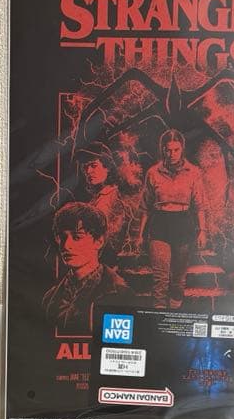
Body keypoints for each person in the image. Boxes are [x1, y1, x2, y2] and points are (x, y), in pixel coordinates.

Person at [139, 129, 208, 309]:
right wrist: (140, 235)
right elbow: (145, 207)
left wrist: (202, 231)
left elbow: (200, 206)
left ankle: (174, 313)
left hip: (183, 224)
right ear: (163, 150)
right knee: (160, 278)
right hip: (159, 224)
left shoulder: (193, 172)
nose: (172, 154)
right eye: (168, 150)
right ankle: (158, 318)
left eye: (176, 150)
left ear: (182, 149)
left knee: (178, 279)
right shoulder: (153, 172)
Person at [42, 202, 128, 335]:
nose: (66, 245)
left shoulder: (120, 292)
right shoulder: (50, 297)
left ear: (99, 241)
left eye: (77, 237)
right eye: (62, 237)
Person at [76, 145, 126, 261]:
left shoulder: (113, 196)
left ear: (107, 167)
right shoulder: (98, 197)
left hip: (104, 261)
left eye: (93, 165)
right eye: (85, 167)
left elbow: (111, 237)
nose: (88, 171)